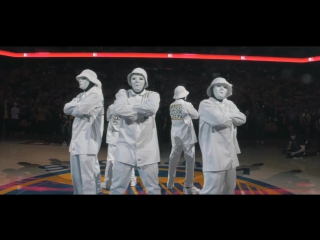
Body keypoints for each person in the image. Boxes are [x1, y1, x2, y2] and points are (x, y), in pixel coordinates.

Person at [109, 68, 161, 195]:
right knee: (117, 187)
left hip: (148, 148)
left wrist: (129, 111)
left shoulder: (153, 95)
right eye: (133, 78)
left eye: (140, 78)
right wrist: (139, 114)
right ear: (129, 81)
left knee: (153, 188)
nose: (137, 81)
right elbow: (118, 109)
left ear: (145, 81)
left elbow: (152, 109)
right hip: (124, 147)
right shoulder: (123, 94)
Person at [198, 77, 246, 194]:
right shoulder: (205, 104)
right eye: (218, 86)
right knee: (212, 189)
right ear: (212, 89)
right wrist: (231, 115)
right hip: (215, 154)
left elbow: (242, 119)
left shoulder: (229, 103)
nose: (221, 89)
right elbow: (220, 122)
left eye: (225, 87)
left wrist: (225, 115)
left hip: (230, 154)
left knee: (230, 187)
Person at [63, 69, 104, 195]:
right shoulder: (81, 96)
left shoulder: (96, 94)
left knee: (88, 180)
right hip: (76, 143)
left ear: (90, 80)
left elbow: (80, 110)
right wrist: (79, 108)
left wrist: (77, 108)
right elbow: (66, 108)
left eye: (82, 78)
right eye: (79, 79)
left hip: (87, 143)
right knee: (77, 179)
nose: (79, 81)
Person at [167, 86, 200, 194]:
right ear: (184, 95)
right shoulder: (187, 105)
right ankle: (188, 186)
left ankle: (170, 183)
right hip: (186, 135)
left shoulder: (172, 105)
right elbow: (196, 115)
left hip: (175, 135)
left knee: (173, 158)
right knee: (190, 160)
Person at [101, 102, 137, 189]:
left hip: (114, 137)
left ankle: (108, 182)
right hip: (126, 137)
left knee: (111, 160)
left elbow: (108, 118)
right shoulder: (130, 107)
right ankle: (132, 180)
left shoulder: (111, 107)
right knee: (129, 159)